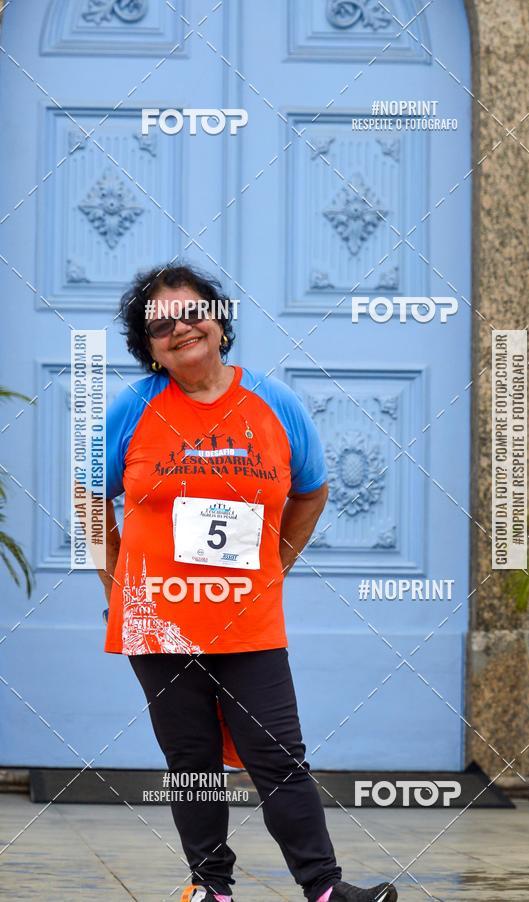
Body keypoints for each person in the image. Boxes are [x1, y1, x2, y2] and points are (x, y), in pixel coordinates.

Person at [100, 262, 398, 902]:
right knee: (192, 763)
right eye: (160, 324)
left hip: (248, 619)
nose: (180, 328)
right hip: (159, 620)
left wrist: (275, 566)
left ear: (219, 320)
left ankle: (325, 889)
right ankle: (211, 887)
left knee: (278, 756)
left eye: (192, 312)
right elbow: (89, 498)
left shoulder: (275, 402)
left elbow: (312, 491)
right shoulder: (133, 407)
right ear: (148, 346)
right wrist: (117, 587)